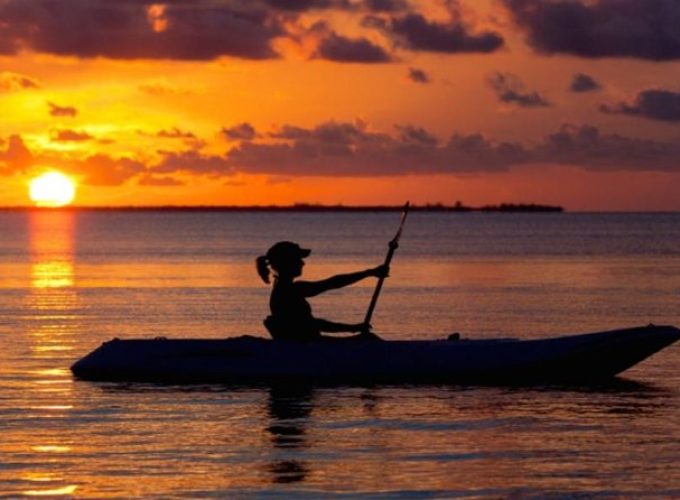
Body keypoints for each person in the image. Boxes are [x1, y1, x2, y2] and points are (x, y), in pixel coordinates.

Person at [256, 241, 388, 341]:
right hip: (306, 348)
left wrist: (369, 273)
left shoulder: (282, 286)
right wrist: (352, 328)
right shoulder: (291, 290)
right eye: (298, 259)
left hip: (308, 345)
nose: (303, 263)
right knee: (369, 339)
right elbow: (331, 284)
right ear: (288, 263)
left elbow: (331, 284)